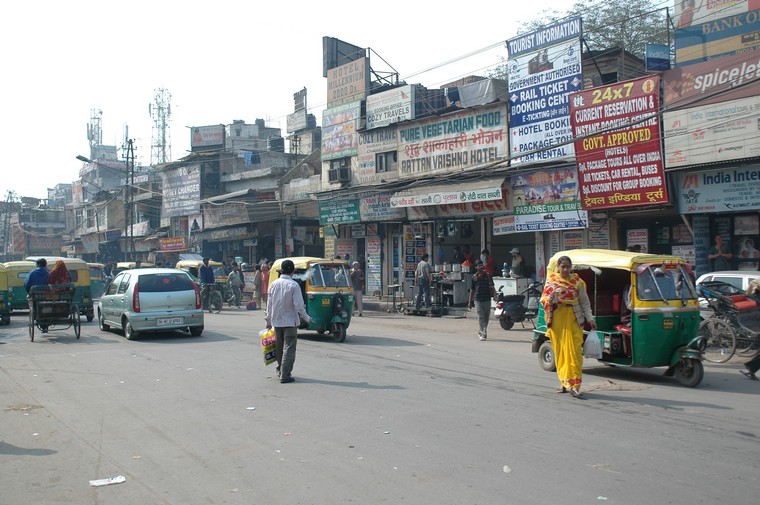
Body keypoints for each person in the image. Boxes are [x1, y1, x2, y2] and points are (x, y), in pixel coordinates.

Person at [540, 255, 596, 398]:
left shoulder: (578, 282)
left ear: (571, 268)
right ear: (558, 267)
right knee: (561, 353)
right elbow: (543, 299)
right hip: (557, 321)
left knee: (574, 352)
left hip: (574, 319)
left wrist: (590, 319)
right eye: (562, 266)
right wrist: (550, 299)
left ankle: (575, 385)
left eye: (568, 267)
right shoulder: (552, 281)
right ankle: (564, 382)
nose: (565, 269)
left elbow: (585, 303)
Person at [265, 259, 313, 383]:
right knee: (289, 348)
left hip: (276, 321)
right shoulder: (294, 285)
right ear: (292, 271)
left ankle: (280, 370)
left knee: (279, 347)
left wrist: (268, 321)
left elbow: (269, 305)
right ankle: (285, 375)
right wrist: (307, 318)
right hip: (290, 322)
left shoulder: (273, 284)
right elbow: (299, 306)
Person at [469, 259, 496, 341]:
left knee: (486, 318)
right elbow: (472, 290)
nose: (481, 267)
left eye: (482, 265)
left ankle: (480, 331)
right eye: (479, 265)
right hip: (478, 300)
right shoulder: (474, 277)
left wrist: (495, 296)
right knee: (481, 317)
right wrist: (470, 301)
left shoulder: (488, 276)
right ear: (476, 267)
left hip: (487, 299)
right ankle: (483, 334)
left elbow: (492, 287)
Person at [25, 258, 51, 333]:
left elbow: (26, 285)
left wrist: (29, 292)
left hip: (35, 296)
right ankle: (45, 325)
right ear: (45, 265)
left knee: (34, 307)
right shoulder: (49, 272)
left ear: (37, 265)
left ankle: (42, 324)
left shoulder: (32, 273)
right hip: (47, 296)